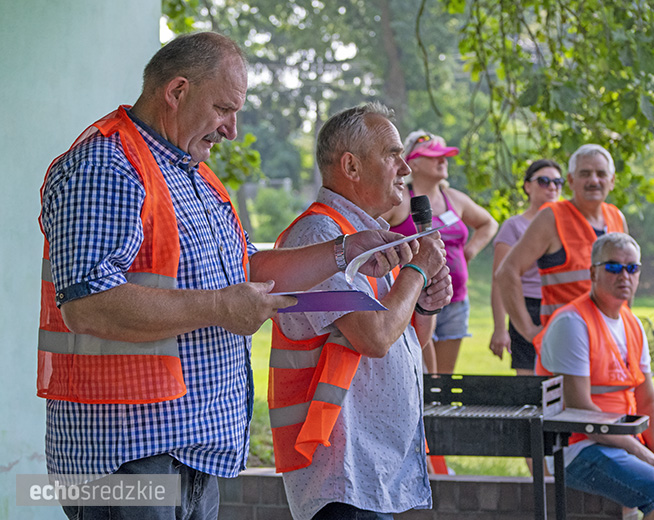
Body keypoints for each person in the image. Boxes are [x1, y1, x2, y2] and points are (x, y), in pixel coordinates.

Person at [38, 32, 414, 519]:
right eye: (222, 109)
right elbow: (86, 303)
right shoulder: (107, 165)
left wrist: (344, 250)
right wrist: (219, 308)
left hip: (188, 453)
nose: (232, 129)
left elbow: (246, 271)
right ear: (176, 92)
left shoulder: (193, 171)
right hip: (121, 455)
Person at [271, 103, 452, 520]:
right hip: (340, 471)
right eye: (392, 153)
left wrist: (424, 299)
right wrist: (417, 270)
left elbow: (406, 341)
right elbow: (373, 337)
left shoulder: (362, 238)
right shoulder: (319, 235)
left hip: (372, 470)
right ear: (351, 166)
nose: (405, 167)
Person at [538, 233, 654, 519]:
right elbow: (579, 410)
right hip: (578, 448)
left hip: (626, 443)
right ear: (593, 272)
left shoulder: (633, 324)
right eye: (613, 267)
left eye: (632, 268)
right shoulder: (572, 323)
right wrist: (640, 452)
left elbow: (648, 399)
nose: (624, 275)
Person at [382, 130, 497, 374]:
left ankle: (441, 413)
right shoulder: (399, 200)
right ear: (413, 162)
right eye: (435, 156)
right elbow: (369, 233)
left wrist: (469, 252)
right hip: (415, 300)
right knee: (424, 374)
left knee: (444, 379)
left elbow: (489, 223)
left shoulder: (455, 198)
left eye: (445, 156)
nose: (443, 161)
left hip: (455, 300)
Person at [495, 144, 627, 344]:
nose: (594, 180)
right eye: (585, 173)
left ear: (612, 180)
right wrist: (529, 331)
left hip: (611, 341)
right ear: (571, 181)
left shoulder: (617, 217)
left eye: (601, 174)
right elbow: (507, 272)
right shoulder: (552, 217)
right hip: (567, 342)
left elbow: (628, 280)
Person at [490, 159, 564, 375]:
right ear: (527, 186)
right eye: (544, 181)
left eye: (558, 182)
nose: (552, 187)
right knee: (529, 380)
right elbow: (499, 279)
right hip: (526, 307)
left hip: (560, 305)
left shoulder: (567, 224)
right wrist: (499, 328)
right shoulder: (514, 226)